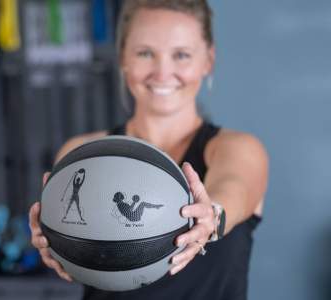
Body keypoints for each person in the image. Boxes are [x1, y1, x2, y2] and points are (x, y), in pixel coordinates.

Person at [28, 0, 269, 299]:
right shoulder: (81, 153)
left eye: (181, 55)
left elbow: (234, 189)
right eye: (145, 53)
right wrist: (56, 240)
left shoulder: (238, 148)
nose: (162, 72)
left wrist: (212, 216)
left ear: (208, 60)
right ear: (123, 59)